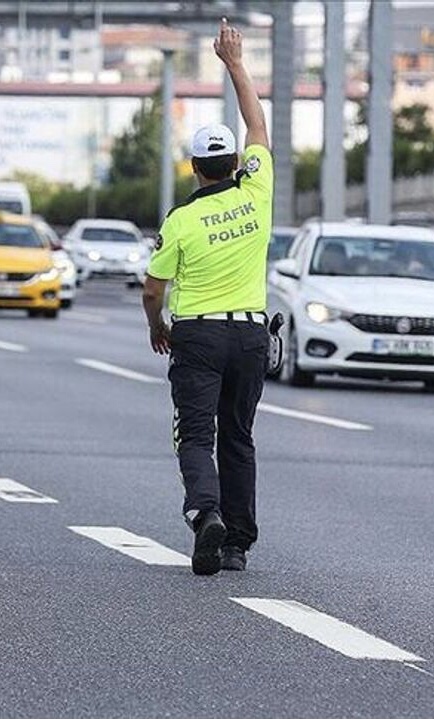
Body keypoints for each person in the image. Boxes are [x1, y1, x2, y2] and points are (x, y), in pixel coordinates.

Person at [141, 19, 272, 577]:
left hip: (196, 334)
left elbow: (153, 289)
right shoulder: (258, 191)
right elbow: (257, 123)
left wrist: (157, 327)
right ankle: (238, 544)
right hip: (250, 334)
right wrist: (235, 63)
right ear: (235, 163)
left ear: (195, 169)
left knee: (197, 434)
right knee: (238, 437)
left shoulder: (183, 220)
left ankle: (206, 513)